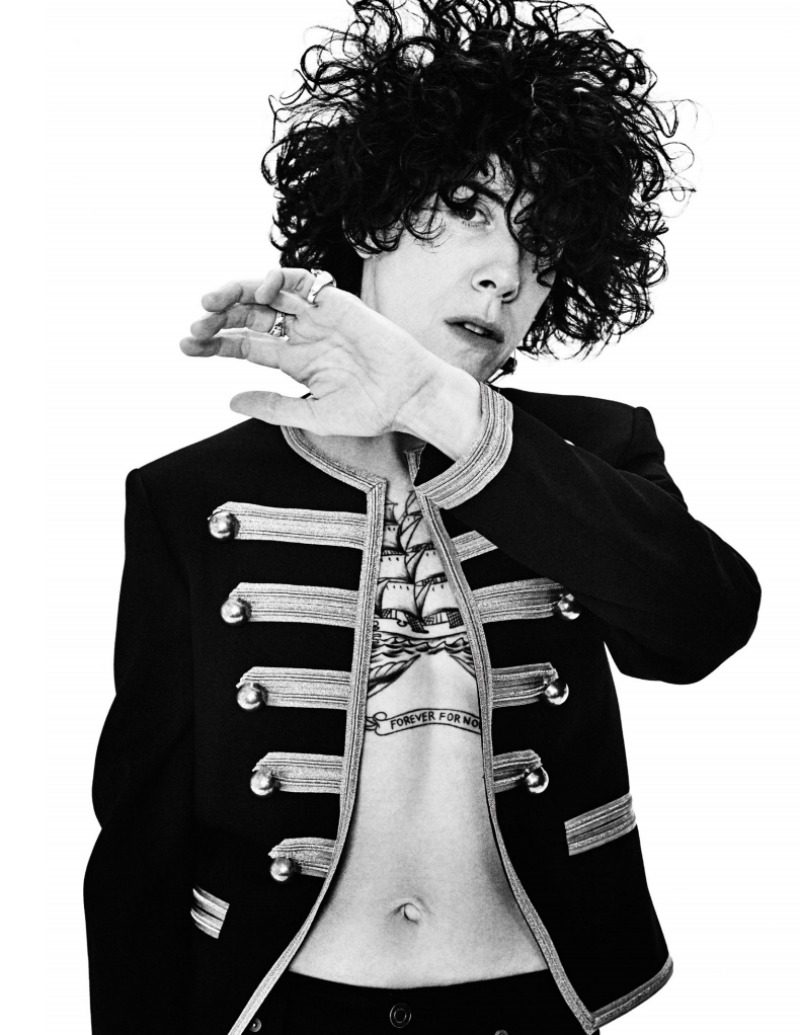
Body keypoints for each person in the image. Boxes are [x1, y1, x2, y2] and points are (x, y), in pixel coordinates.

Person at [83, 2, 761, 1033]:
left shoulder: (597, 450)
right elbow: (140, 835)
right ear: (370, 217)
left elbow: (700, 626)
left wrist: (437, 403)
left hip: (532, 1006)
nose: (508, 271)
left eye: (544, 245)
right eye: (469, 207)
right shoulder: (186, 496)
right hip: (275, 1011)